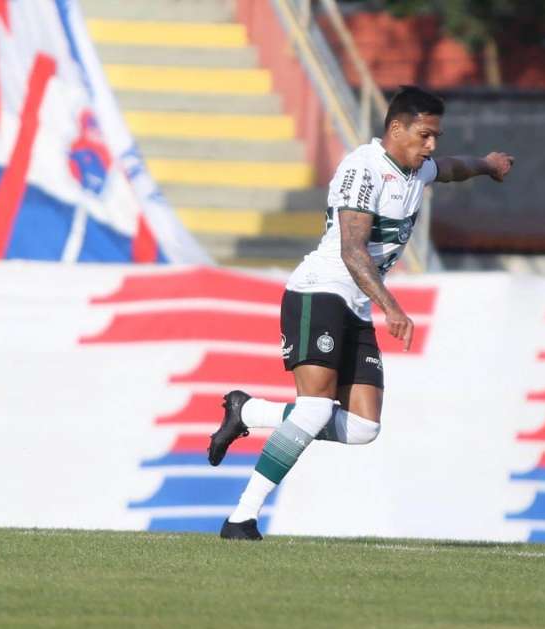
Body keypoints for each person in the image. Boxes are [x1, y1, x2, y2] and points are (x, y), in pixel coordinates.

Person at [208, 85, 514, 540]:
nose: (432, 146)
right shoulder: (362, 169)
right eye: (425, 135)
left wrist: (487, 166)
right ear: (396, 128)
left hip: (353, 304)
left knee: (363, 427)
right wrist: (392, 308)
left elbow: (449, 169)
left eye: (436, 137)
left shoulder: (417, 169)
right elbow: (353, 250)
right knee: (313, 410)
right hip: (319, 292)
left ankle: (248, 411)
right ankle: (241, 518)